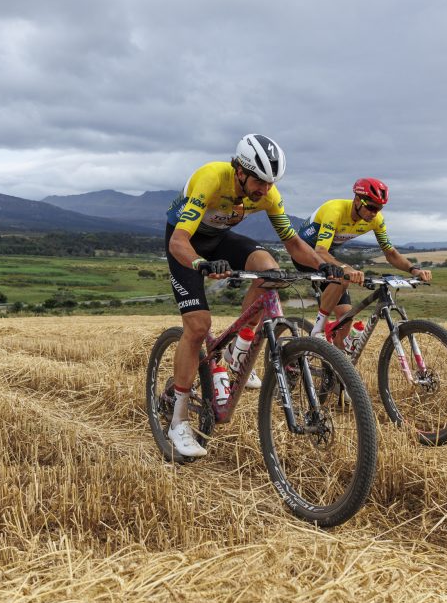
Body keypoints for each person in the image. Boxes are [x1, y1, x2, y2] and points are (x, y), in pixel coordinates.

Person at [164, 134, 343, 457]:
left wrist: (324, 266)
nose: (265, 190)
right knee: (198, 327)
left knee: (270, 270)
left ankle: (238, 347)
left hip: (220, 239)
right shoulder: (211, 178)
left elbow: (293, 244)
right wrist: (200, 264)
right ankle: (178, 421)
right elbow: (178, 241)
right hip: (187, 244)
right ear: (240, 171)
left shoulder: (268, 195)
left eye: (271, 183)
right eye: (259, 182)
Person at [295, 177, 432, 347]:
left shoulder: (376, 219)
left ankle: (336, 364)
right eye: (372, 207)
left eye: (379, 208)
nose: (375, 213)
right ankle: (317, 332)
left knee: (345, 317)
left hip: (325, 255)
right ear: (357, 200)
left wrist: (414, 270)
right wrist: (346, 268)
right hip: (304, 253)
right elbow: (320, 251)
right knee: (342, 278)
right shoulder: (334, 210)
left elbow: (390, 253)